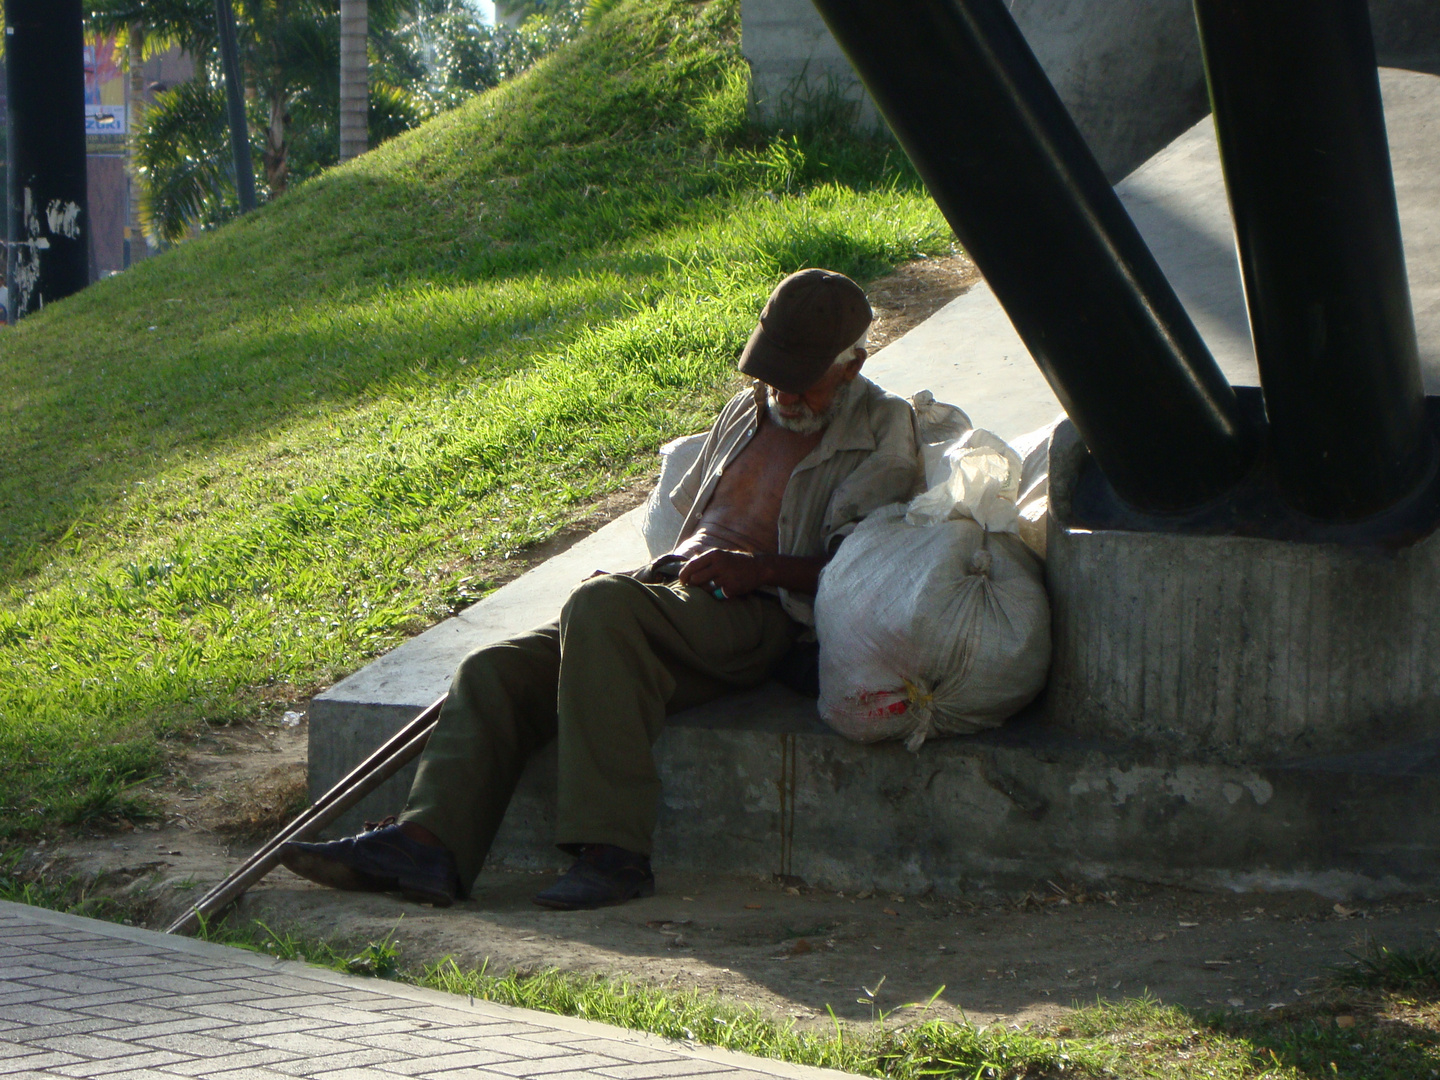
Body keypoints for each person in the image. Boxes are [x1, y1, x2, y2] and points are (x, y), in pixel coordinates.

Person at [279, 268, 921, 910]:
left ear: (852, 363)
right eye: (772, 370)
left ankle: (614, 856)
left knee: (600, 606)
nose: (782, 390)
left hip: (763, 614)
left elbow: (862, 565)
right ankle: (426, 848)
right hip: (676, 594)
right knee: (494, 670)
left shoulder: (881, 426)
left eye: (800, 376)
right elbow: (691, 518)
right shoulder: (748, 409)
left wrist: (759, 570)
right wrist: (651, 580)